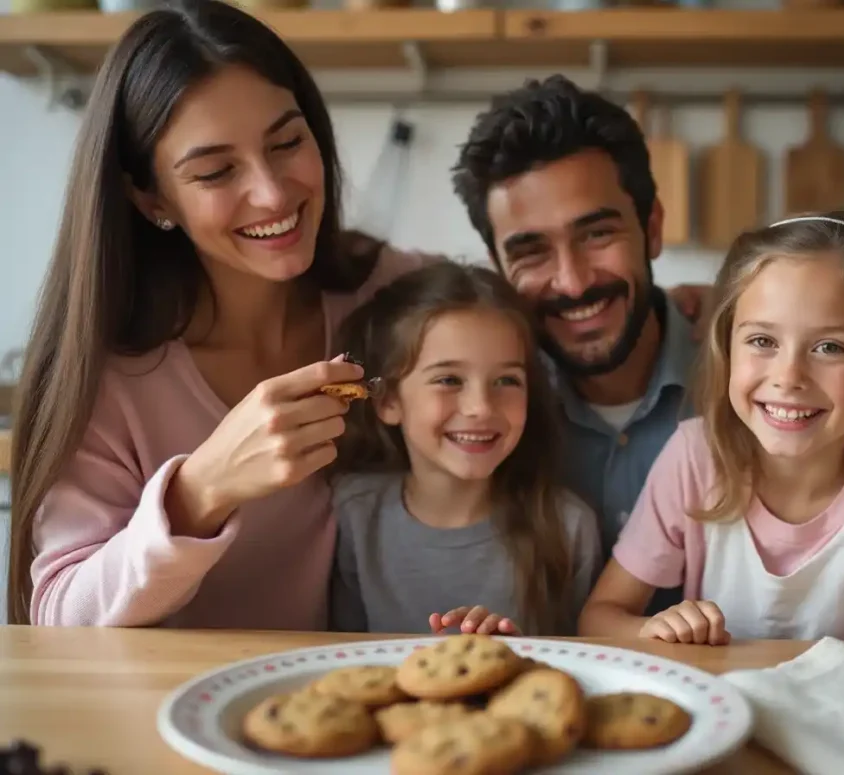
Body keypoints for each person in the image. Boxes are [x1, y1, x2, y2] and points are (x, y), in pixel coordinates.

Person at [6, 0, 434, 628]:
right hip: (174, 714)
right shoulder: (109, 372)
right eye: (215, 172)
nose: (272, 192)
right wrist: (201, 491)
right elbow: (59, 618)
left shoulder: (399, 292)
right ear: (150, 197)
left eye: (288, 141)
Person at [578, 211, 844, 658]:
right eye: (762, 341)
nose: (789, 376)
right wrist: (654, 629)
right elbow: (600, 616)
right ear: (727, 342)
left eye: (830, 347)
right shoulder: (694, 460)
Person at [451, 75, 700, 615]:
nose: (573, 282)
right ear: (498, 267)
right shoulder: (479, 417)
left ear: (651, 227)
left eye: (596, 234)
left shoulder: (755, 386)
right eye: (532, 252)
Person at [328, 262, 602, 637]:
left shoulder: (568, 528)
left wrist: (518, 653)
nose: (481, 408)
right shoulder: (352, 514)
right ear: (388, 400)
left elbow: (584, 667)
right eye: (449, 380)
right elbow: (337, 658)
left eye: (507, 380)